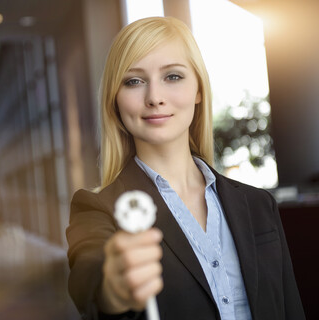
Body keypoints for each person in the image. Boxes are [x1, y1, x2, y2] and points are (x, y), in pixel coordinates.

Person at [66, 16, 305, 320]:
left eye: (173, 77)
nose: (154, 98)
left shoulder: (259, 205)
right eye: (133, 81)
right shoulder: (97, 209)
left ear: (199, 90)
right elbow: (90, 275)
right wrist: (113, 288)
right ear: (115, 100)